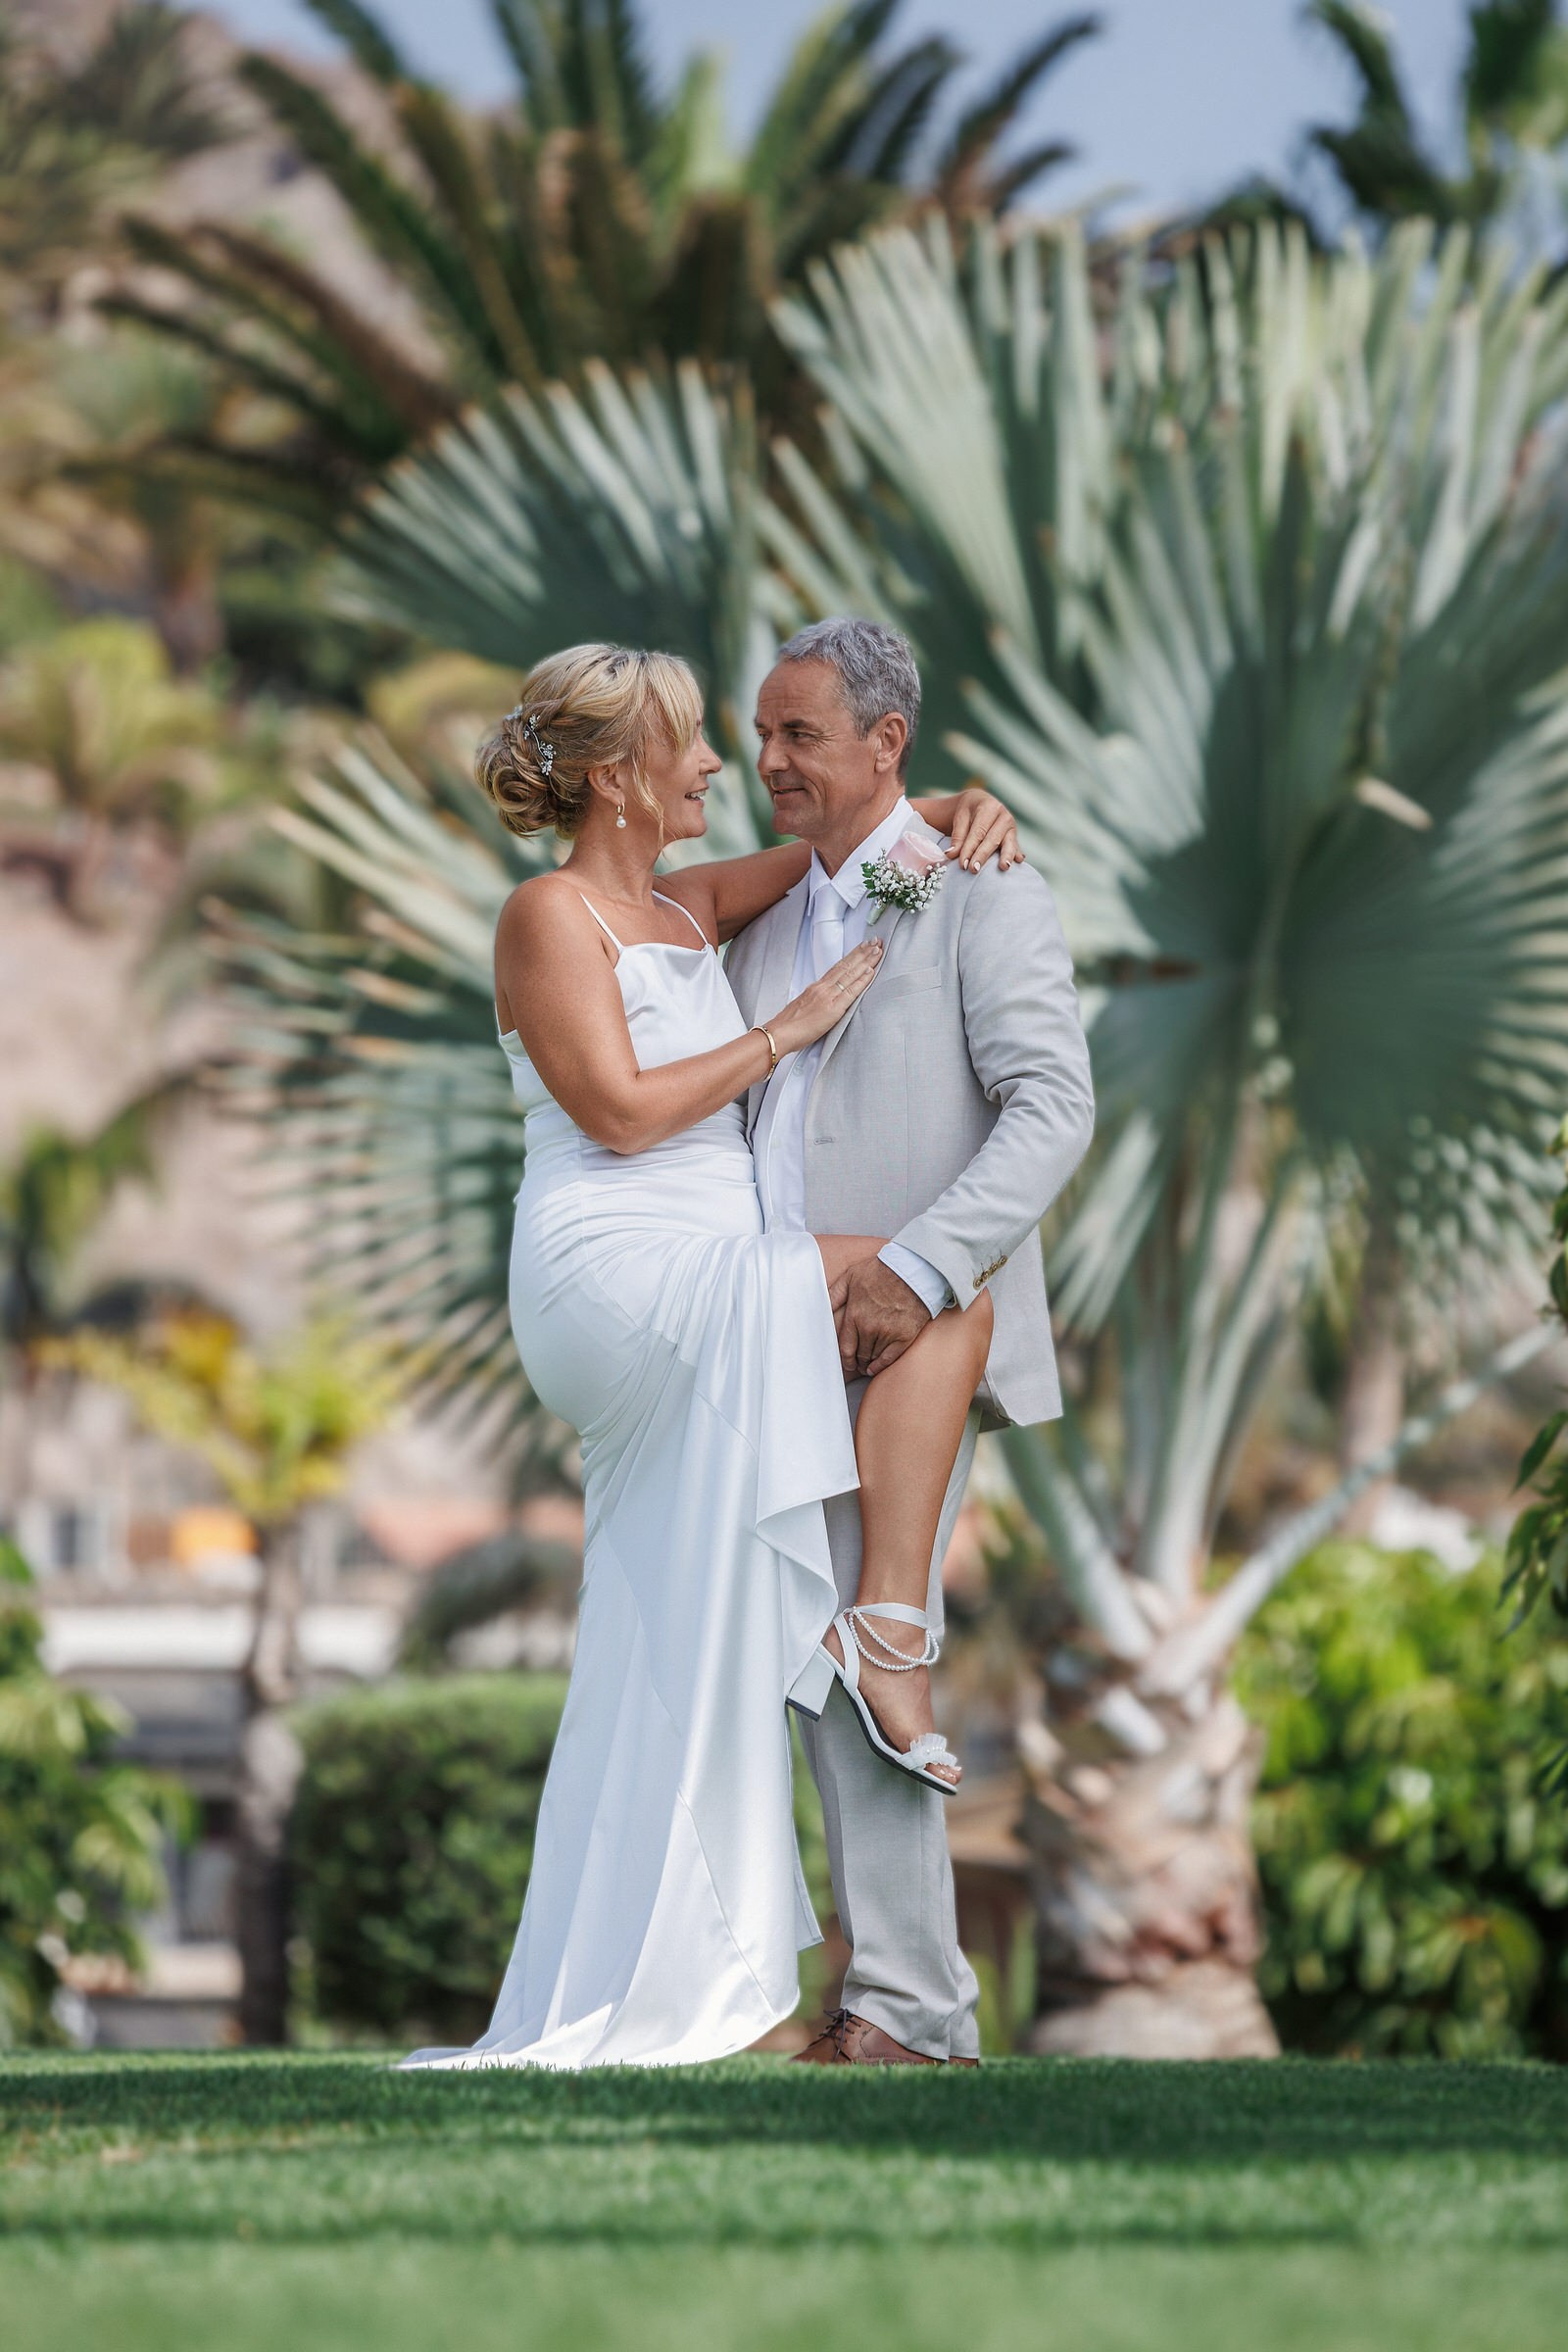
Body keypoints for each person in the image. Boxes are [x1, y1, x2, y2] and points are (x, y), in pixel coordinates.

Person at [399, 638, 1027, 2072]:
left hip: (705, 1267)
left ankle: (648, 1964)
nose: (718, 770)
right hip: (618, 1270)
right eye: (692, 746)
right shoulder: (550, 916)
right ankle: (887, 1634)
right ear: (620, 774)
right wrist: (788, 1029)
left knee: (661, 1627)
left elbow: (861, 862)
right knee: (943, 1292)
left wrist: (963, 807)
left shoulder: (683, 904)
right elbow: (618, 1115)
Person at [725, 617, 1094, 2067]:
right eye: (760, 735)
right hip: (765, 1333)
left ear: (886, 743)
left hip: (906, 1348)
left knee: (873, 1647)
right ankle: (893, 1996)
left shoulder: (985, 898)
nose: (767, 762)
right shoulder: (773, 910)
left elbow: (1051, 1111)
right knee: (808, 1662)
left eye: (798, 735)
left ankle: (909, 2010)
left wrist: (924, 1275)